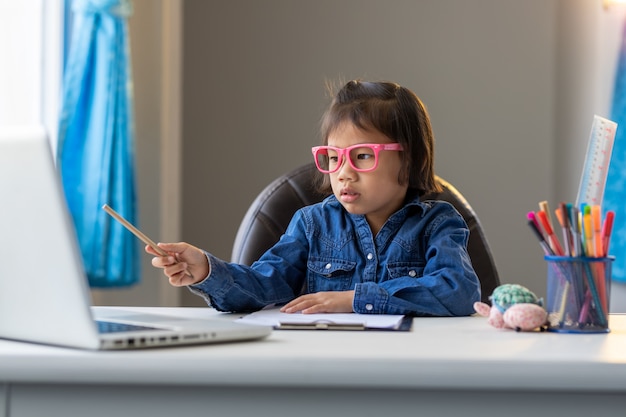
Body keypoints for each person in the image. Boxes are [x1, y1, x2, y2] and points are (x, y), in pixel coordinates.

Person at [147, 80, 481, 316]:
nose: (343, 173)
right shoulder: (312, 224)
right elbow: (262, 285)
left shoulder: (438, 223)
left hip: (409, 370)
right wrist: (206, 270)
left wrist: (354, 299)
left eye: (363, 156)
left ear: (410, 162)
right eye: (334, 157)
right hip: (321, 366)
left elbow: (457, 291)